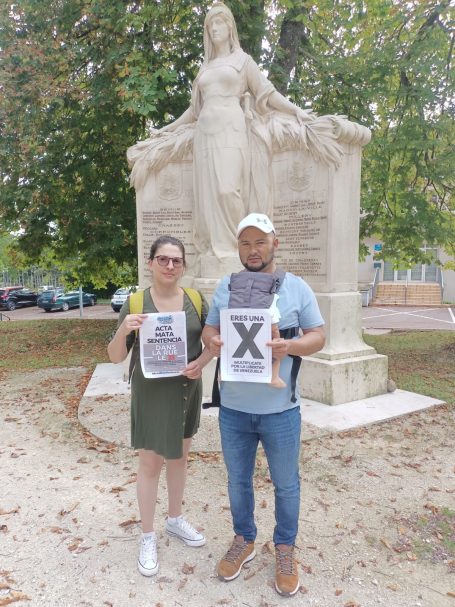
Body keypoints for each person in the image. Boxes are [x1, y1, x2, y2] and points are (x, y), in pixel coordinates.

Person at [129, 2, 315, 261]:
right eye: (210, 25)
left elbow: (267, 92)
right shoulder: (204, 68)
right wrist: (166, 129)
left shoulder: (243, 61)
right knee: (208, 197)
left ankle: (233, 250)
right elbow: (194, 111)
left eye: (219, 23)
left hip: (232, 129)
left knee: (229, 190)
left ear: (230, 27)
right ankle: (215, 254)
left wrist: (296, 110)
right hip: (205, 133)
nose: (214, 28)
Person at [202, 213, 325, 597]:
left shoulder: (297, 288)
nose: (252, 250)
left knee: (286, 485)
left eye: (259, 242)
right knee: (238, 482)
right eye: (245, 243)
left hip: (281, 411)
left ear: (275, 243)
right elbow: (209, 329)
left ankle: (285, 548)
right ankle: (245, 539)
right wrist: (212, 342)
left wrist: (289, 346)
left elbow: (318, 336)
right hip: (234, 408)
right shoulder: (226, 286)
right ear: (238, 248)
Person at [107, 235, 213, 577]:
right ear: (151, 263)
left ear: (183, 266)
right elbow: (115, 356)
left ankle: (175, 519)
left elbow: (214, 343)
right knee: (151, 463)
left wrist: (203, 361)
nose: (170, 266)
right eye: (163, 259)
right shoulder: (137, 302)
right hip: (151, 394)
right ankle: (148, 535)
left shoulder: (196, 300)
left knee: (180, 458)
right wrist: (124, 328)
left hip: (186, 390)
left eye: (176, 261)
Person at [228, 270, 285, 389]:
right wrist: (275, 334)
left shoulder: (238, 291)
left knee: (232, 345)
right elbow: (274, 329)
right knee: (276, 343)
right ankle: (274, 377)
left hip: (239, 316)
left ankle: (223, 373)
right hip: (265, 315)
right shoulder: (270, 294)